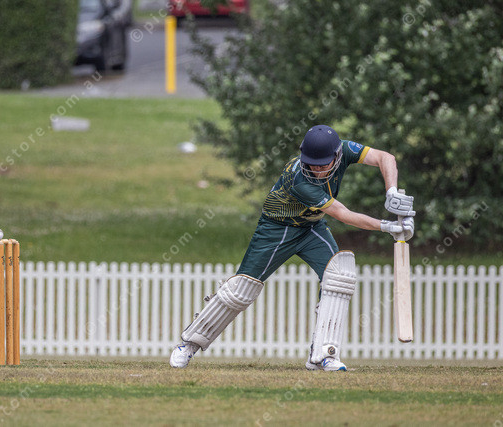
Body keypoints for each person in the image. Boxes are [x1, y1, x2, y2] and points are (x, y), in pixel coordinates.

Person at [169, 125, 415, 371]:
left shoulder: (345, 149)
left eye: (323, 165)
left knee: (339, 276)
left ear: (337, 155)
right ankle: (188, 345)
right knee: (241, 289)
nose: (317, 170)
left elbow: (385, 158)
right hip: (277, 229)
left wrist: (391, 192)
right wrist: (387, 226)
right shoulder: (298, 179)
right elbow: (343, 214)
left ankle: (324, 355)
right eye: (312, 164)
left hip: (312, 227)